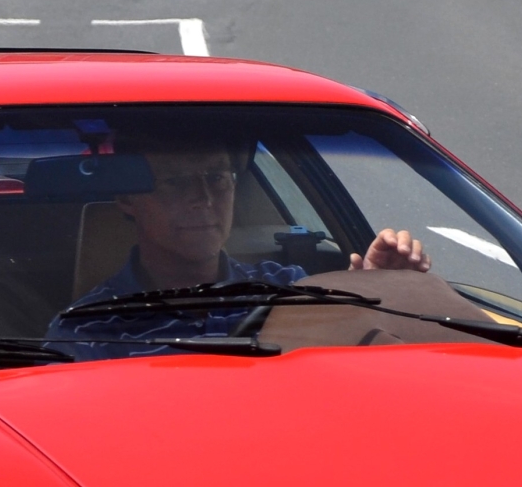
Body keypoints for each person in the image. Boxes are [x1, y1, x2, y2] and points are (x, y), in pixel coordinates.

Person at [50, 138, 429, 349]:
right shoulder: (89, 329)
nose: (204, 198)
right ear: (127, 199)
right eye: (177, 182)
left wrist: (376, 291)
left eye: (216, 178)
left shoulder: (286, 287)